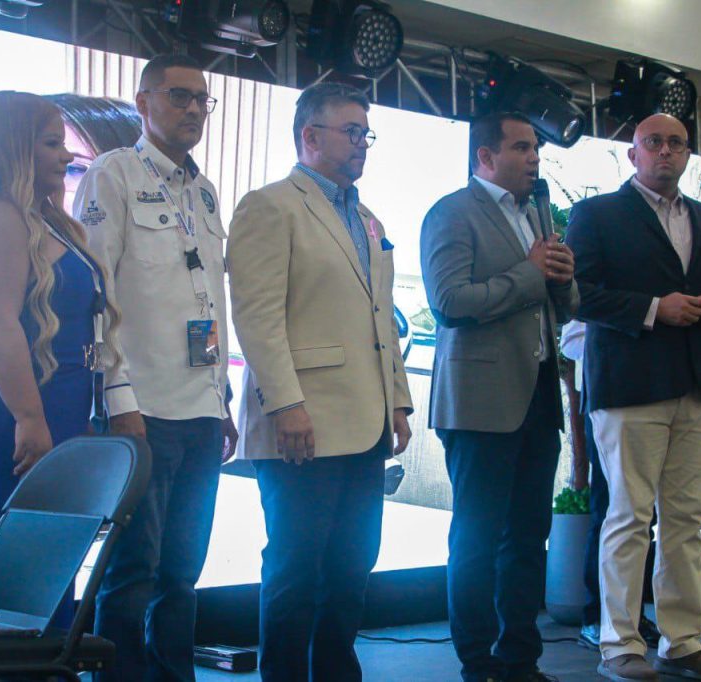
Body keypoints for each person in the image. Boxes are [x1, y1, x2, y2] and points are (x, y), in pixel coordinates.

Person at [227, 82, 413, 682]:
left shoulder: (365, 217)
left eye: (366, 133)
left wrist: (398, 402)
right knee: (296, 569)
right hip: (302, 420)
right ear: (310, 136)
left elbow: (381, 320)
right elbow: (257, 316)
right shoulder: (270, 205)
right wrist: (285, 404)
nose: (362, 143)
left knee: (352, 566)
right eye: (351, 131)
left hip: (366, 422)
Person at [565, 113, 701, 682]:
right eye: (654, 142)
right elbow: (576, 293)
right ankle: (619, 644)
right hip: (628, 385)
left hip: (697, 384)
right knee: (628, 517)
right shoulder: (596, 214)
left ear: (688, 154)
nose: (665, 151)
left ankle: (682, 642)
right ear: (634, 154)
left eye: (676, 143)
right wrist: (653, 308)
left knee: (686, 520)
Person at [74, 54, 238, 682]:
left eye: (202, 99)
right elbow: (96, 295)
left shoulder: (205, 191)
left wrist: (222, 399)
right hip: (142, 408)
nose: (194, 109)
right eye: (178, 96)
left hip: (201, 410)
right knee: (133, 571)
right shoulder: (112, 174)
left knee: (182, 573)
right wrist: (117, 398)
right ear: (143, 103)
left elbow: (209, 300)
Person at [419, 111, 578, 682]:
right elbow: (450, 303)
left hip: (538, 396)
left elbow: (560, 308)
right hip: (479, 401)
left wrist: (564, 279)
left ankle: (520, 659)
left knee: (529, 538)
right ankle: (478, 661)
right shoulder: (452, 212)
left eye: (536, 148)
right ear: (485, 156)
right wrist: (533, 273)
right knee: (478, 539)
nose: (534, 157)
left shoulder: (536, 214)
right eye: (521, 147)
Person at [0, 91, 118, 569]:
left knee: (48, 587)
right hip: (8, 428)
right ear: (14, 149)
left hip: (48, 423)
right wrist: (30, 418)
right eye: (51, 144)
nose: (67, 156)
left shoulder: (45, 222)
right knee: (18, 591)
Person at [558, 321, 660, 652]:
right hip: (606, 402)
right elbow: (570, 342)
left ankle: (633, 616)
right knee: (607, 514)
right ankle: (595, 617)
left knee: (644, 517)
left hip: (649, 404)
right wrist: (618, 340)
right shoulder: (598, 293)